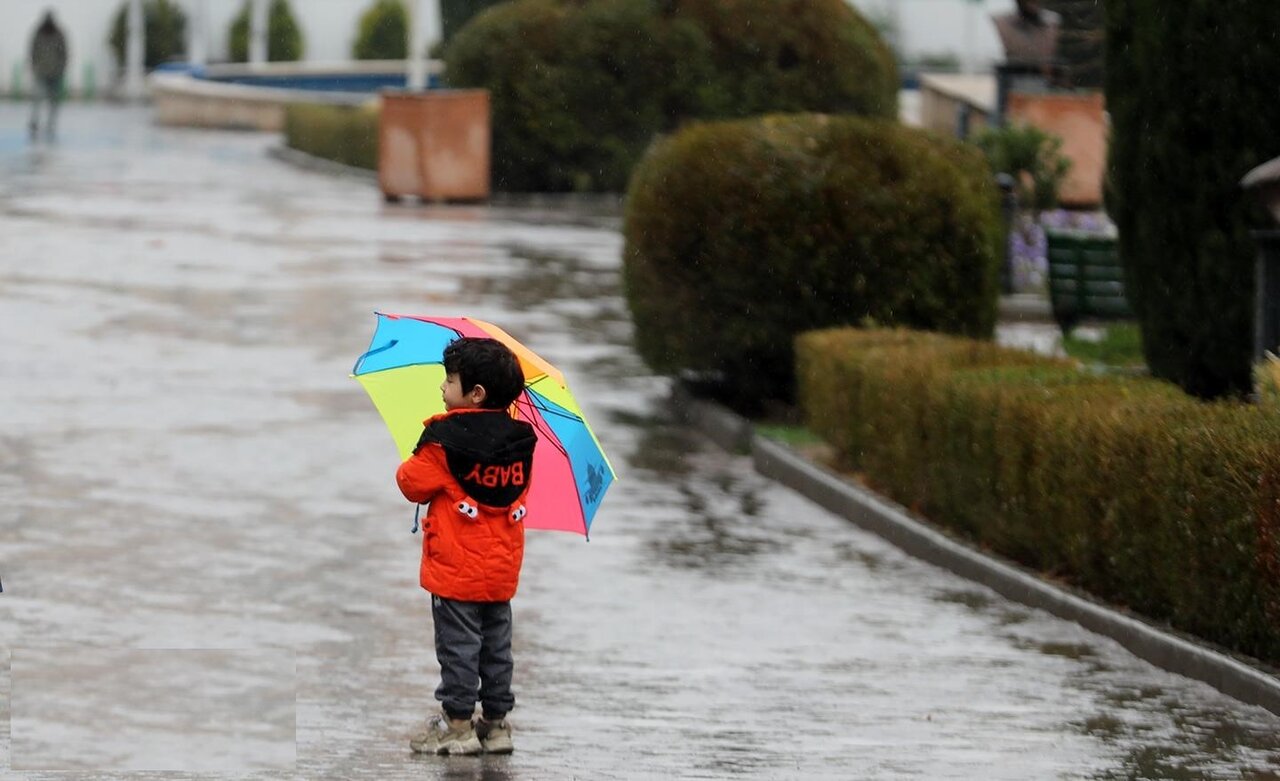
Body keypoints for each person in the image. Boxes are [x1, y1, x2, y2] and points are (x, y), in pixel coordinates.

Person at [395, 337, 537, 756]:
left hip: (456, 569)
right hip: (501, 571)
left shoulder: (444, 439)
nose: (442, 387)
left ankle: (456, 723)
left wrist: (422, 447)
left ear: (475, 394)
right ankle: (495, 725)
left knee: (458, 647)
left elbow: (409, 483)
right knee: (496, 647)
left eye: (450, 380)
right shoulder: (521, 441)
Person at [992, 0, 1061, 77]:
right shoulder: (1002, 21)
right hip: (1014, 75)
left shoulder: (1051, 22)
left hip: (1041, 77)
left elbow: (1046, 53)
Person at [28, 10, 68, 141]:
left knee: (54, 101)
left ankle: (50, 123)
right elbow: (32, 51)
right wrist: (34, 66)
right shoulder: (38, 34)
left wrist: (62, 68)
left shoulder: (59, 34)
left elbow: (64, 53)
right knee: (37, 98)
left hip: (56, 73)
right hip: (41, 72)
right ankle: (34, 122)